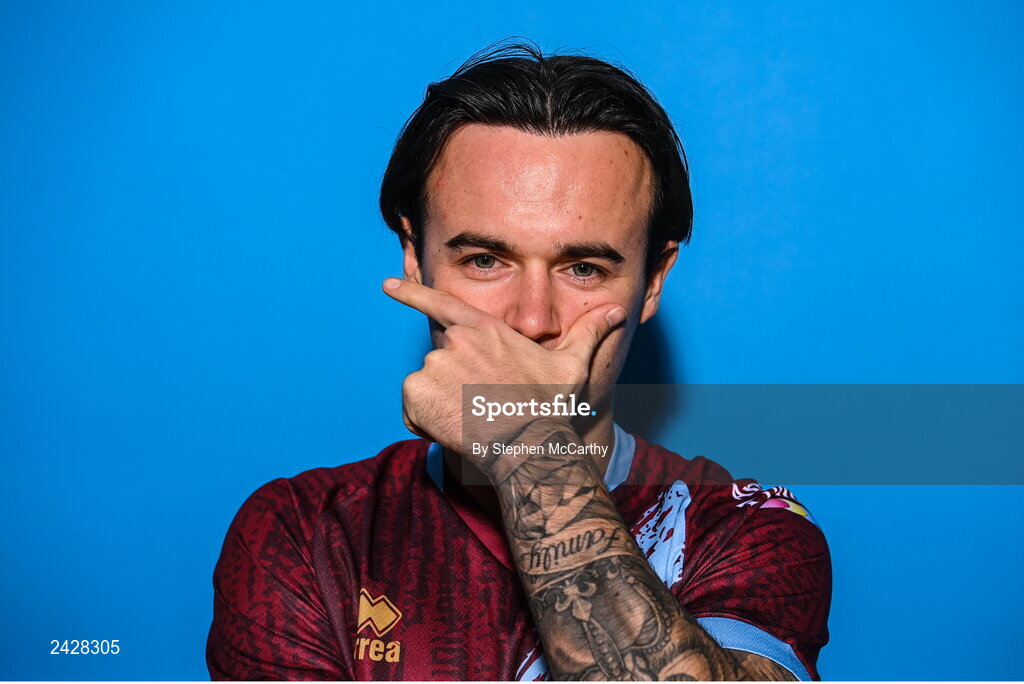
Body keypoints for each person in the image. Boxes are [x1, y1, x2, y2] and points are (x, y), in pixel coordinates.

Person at [206, 42, 830, 681]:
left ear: (651, 282)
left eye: (583, 268)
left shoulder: (740, 528)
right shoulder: (305, 535)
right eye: (484, 261)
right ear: (416, 259)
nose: (532, 319)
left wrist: (525, 443)